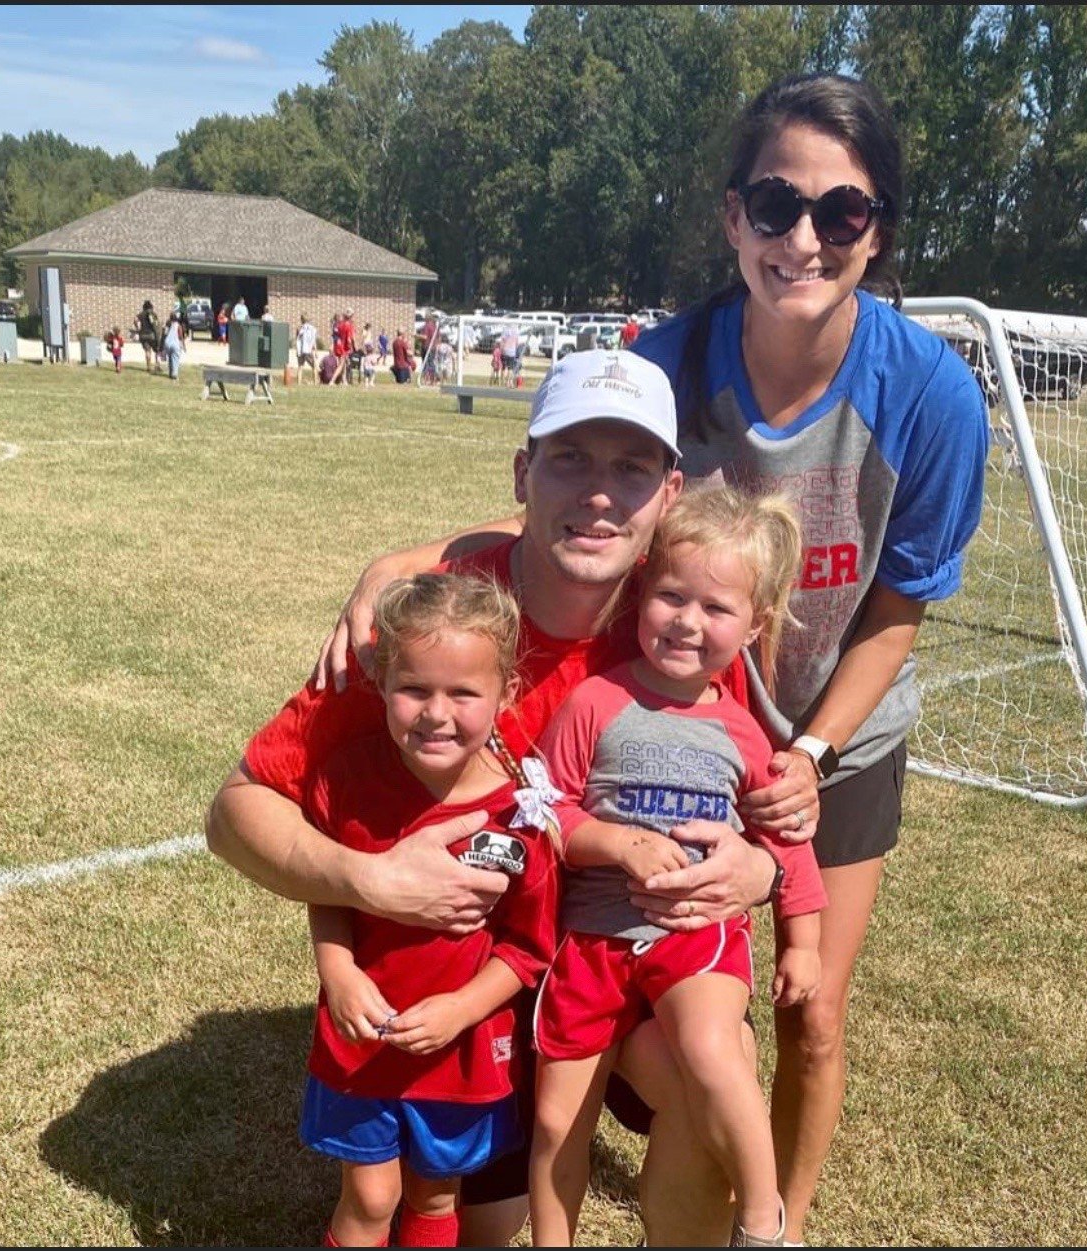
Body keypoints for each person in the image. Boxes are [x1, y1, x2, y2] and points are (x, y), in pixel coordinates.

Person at [305, 72, 992, 1245]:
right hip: (662, 723)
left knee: (813, 1007)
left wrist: (810, 757)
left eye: (843, 213)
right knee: (658, 1011)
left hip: (836, 728)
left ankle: (775, 1223)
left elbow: (898, 605)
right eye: (775, 205)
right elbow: (574, 507)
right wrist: (395, 562)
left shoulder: (930, 394)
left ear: (881, 234)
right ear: (731, 218)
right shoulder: (664, 361)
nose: (804, 238)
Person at [207, 350, 778, 1246]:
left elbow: (753, 799)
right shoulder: (433, 632)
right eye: (570, 459)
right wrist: (367, 878)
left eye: (629, 467)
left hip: (613, 972)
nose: (599, 493)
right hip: (472, 993)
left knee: (719, 1068)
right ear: (524, 474)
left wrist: (762, 864)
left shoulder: (682, 628)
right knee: (475, 1222)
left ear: (669, 492)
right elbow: (236, 812)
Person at [529, 484, 827, 1248]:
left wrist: (803, 941)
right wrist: (614, 842)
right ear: (641, 593)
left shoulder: (743, 730)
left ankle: (764, 1223)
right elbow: (547, 808)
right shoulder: (595, 700)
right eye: (671, 595)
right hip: (590, 941)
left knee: (711, 1049)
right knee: (559, 1123)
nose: (688, 622)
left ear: (754, 624)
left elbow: (785, 841)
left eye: (716, 609)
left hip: (695, 936)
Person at [299, 572, 560, 1248]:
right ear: (382, 681)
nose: (436, 712)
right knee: (369, 1191)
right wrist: (340, 973)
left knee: (436, 1193)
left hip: (460, 1048)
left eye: (463, 692)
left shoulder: (521, 814)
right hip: (362, 1039)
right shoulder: (346, 780)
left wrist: (460, 1009)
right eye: (415, 687)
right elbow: (327, 892)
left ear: (505, 693)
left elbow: (528, 949)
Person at [136, 300, 160, 373]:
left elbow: (135, 320)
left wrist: (138, 328)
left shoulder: (140, 314)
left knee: (147, 351)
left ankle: (148, 367)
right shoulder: (152, 314)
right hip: (151, 335)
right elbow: (155, 324)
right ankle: (157, 366)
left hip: (143, 335)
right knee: (157, 350)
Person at [161, 310, 185, 382]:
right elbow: (180, 336)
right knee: (175, 358)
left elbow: (164, 334)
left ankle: (170, 373)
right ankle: (174, 374)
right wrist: (183, 345)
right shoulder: (178, 325)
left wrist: (162, 346)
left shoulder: (168, 324)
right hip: (175, 343)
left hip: (167, 343)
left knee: (170, 358)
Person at [296, 314, 318, 385]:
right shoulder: (312, 329)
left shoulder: (299, 328)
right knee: (314, 366)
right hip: (308, 350)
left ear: (301, 319)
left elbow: (297, 340)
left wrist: (297, 350)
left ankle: (299, 383)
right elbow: (313, 340)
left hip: (301, 350)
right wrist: (316, 351)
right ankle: (315, 382)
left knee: (300, 366)